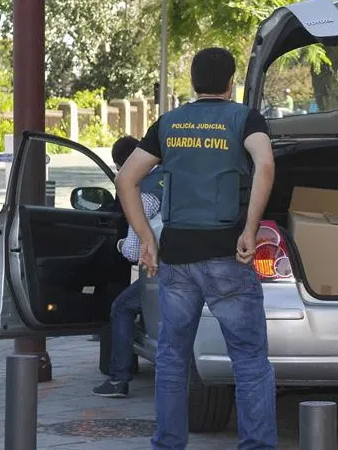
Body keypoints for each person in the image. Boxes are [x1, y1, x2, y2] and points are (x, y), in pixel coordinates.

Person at [116, 47, 277, 450]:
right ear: (231, 82)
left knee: (172, 357)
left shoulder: (168, 123)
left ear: (192, 82)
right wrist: (251, 229)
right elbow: (266, 165)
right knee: (250, 361)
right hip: (227, 254)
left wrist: (146, 238)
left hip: (177, 257)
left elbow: (126, 180)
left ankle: (168, 444)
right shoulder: (245, 119)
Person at [92, 136, 164, 398]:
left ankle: (118, 379)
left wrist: (121, 244)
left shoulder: (143, 191)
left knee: (121, 308)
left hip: (163, 269)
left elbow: (135, 251)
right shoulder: (172, 174)